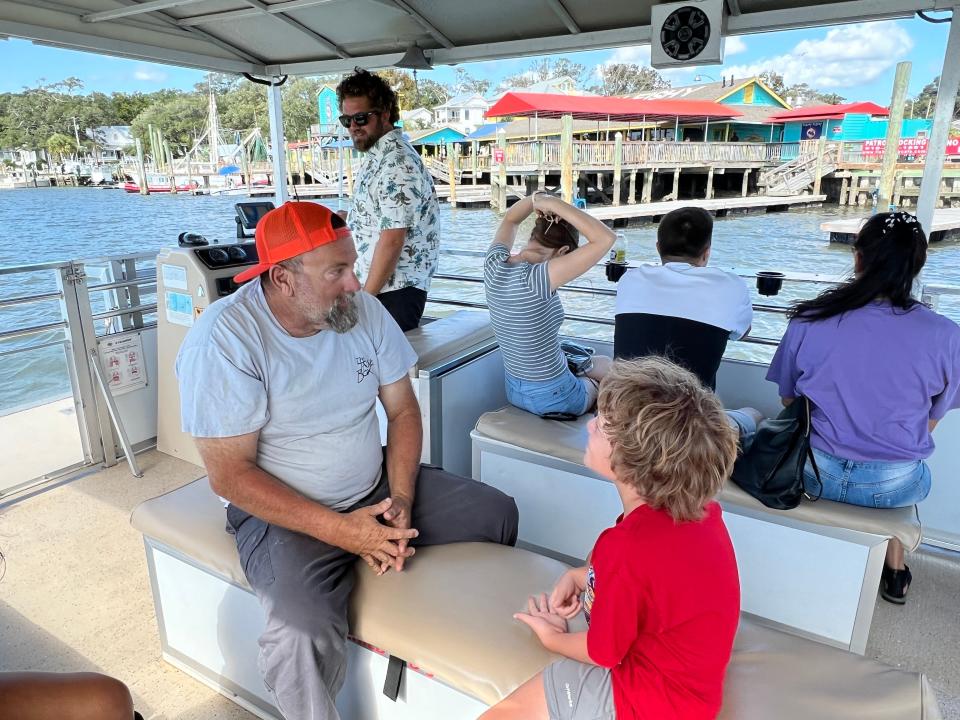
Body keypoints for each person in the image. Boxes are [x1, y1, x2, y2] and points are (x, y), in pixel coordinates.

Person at [176, 201, 519, 720]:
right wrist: (347, 533)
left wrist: (400, 497)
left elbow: (403, 411)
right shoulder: (226, 340)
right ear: (284, 279)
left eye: (352, 265)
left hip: (376, 487)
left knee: (497, 514)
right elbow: (231, 475)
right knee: (300, 636)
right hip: (284, 515)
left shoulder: (362, 311)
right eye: (336, 271)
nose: (355, 284)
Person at [479, 358, 741, 720]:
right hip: (695, 698)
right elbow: (656, 578)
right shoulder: (703, 512)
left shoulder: (626, 547)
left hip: (647, 702)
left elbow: (604, 653)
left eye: (602, 426)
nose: (589, 426)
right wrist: (584, 574)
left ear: (629, 459)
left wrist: (552, 638)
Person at [767, 210, 960, 605]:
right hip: (893, 485)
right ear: (918, 264)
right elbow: (932, 421)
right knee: (904, 471)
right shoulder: (945, 334)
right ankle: (894, 572)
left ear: (857, 258)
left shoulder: (810, 318)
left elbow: (788, 401)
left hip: (813, 473)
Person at [484, 192, 615, 418]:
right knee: (607, 377)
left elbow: (510, 220)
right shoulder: (540, 278)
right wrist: (552, 203)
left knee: (599, 362)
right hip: (556, 397)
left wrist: (535, 200)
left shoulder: (493, 265)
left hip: (514, 390)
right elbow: (605, 239)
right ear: (563, 252)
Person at [337, 68, 441, 331]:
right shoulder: (379, 158)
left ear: (384, 114)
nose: (353, 127)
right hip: (380, 285)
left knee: (384, 370)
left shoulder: (397, 164)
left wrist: (365, 299)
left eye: (360, 118)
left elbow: (393, 238)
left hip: (394, 291)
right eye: (346, 120)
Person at [613, 206, 752, 390]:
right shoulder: (732, 286)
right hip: (689, 416)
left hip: (621, 410)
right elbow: (742, 333)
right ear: (706, 252)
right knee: (752, 413)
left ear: (658, 247)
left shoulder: (630, 279)